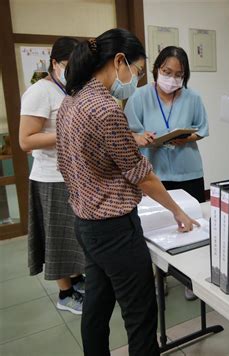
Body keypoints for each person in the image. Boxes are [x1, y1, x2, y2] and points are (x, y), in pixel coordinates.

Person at [56, 28, 198, 356]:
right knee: (140, 313)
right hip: (115, 228)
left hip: (86, 221)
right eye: (135, 70)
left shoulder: (72, 99)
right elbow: (141, 176)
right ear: (119, 61)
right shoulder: (106, 108)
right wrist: (177, 211)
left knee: (97, 303)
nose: (134, 78)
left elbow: (68, 160)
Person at [124, 46, 208, 301]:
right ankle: (157, 276)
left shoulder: (192, 97)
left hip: (188, 169)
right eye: (166, 71)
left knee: (191, 223)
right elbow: (127, 132)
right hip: (154, 172)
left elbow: (202, 129)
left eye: (178, 74)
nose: (172, 78)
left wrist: (187, 137)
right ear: (156, 70)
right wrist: (142, 138)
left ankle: (190, 279)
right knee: (156, 226)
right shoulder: (139, 97)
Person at [19, 36, 85, 315]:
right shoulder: (39, 92)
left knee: (75, 236)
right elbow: (26, 140)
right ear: (56, 63)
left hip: (73, 175)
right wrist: (67, 133)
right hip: (50, 178)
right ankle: (65, 293)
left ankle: (76, 279)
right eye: (70, 65)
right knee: (58, 238)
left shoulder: (69, 89)